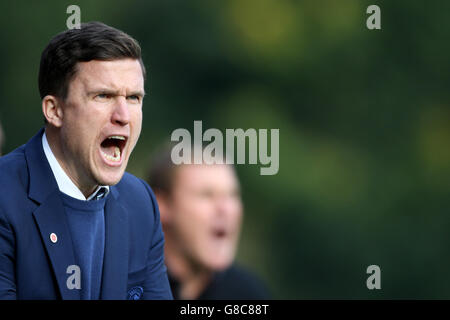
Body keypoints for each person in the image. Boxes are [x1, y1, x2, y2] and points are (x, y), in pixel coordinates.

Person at [0, 22, 172, 300]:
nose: (123, 115)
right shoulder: (4, 196)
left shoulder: (140, 202)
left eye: (134, 98)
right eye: (103, 96)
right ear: (54, 111)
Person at [147, 147, 271, 299]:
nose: (226, 209)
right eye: (207, 195)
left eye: (232, 195)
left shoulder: (248, 294)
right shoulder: (123, 283)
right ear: (161, 205)